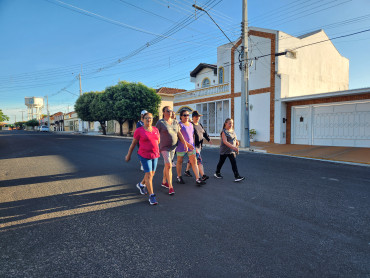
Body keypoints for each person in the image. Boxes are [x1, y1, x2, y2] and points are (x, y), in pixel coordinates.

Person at [156, 106, 194, 195]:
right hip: (164, 147)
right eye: (167, 111)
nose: (169, 112)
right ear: (164, 112)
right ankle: (170, 187)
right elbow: (155, 134)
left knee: (167, 165)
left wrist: (186, 143)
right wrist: (155, 146)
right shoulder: (160, 122)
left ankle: (164, 181)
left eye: (171, 111)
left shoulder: (175, 122)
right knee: (169, 165)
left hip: (173, 147)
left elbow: (179, 133)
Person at [126, 112, 160, 205]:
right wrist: (129, 155)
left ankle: (141, 185)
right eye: (146, 118)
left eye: (150, 118)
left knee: (152, 174)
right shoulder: (139, 130)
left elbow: (158, 141)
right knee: (149, 175)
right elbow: (133, 144)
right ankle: (152, 196)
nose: (149, 120)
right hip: (144, 155)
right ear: (143, 119)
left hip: (155, 155)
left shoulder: (156, 129)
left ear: (152, 119)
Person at [176, 110, 206, 186]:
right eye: (184, 115)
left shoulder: (190, 124)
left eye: (187, 115)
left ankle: (198, 178)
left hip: (191, 146)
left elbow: (192, 135)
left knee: (194, 162)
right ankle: (179, 176)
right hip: (181, 146)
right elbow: (179, 137)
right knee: (180, 161)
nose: (186, 116)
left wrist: (192, 144)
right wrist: (187, 144)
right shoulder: (179, 125)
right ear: (181, 116)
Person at [184, 110, 212, 181]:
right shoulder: (191, 125)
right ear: (193, 117)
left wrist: (208, 139)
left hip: (199, 146)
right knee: (199, 160)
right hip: (193, 146)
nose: (197, 118)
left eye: (198, 117)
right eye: (196, 116)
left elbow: (204, 133)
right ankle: (203, 175)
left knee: (192, 159)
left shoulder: (199, 124)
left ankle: (187, 171)